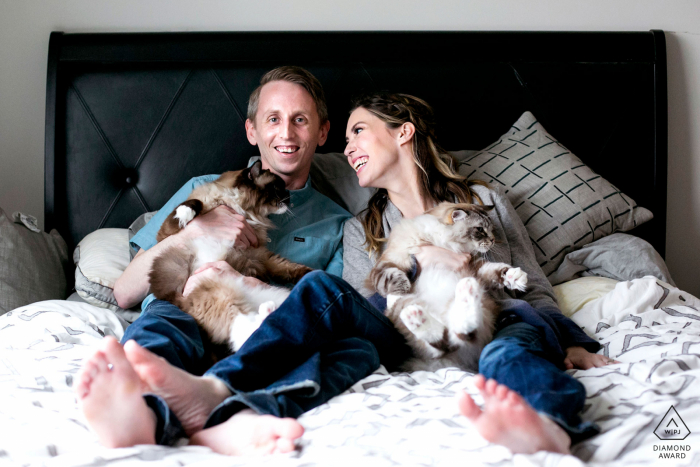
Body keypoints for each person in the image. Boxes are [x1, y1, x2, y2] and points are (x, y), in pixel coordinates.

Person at [76, 67, 411, 455]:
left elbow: (326, 316)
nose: (286, 133)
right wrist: (196, 231)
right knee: (160, 330)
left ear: (322, 132)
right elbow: (124, 292)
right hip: (185, 308)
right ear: (252, 131)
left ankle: (233, 412)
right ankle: (145, 412)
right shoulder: (202, 190)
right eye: (273, 119)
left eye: (300, 120)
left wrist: (255, 288)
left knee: (351, 350)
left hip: (266, 327)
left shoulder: (338, 223)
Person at [341, 92, 619, 455]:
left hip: (501, 321)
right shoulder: (361, 231)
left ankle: (554, 426)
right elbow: (364, 315)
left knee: (504, 357)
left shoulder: (483, 202)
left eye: (357, 131)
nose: (347, 149)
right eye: (346, 141)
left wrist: (571, 341)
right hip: (424, 337)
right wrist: (419, 262)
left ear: (403, 132)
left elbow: (531, 283)